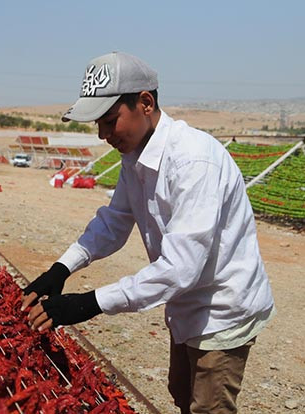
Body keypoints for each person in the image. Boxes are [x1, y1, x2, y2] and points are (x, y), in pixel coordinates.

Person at [21, 51, 275, 414]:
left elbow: (179, 268)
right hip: (186, 305)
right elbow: (115, 221)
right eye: (98, 125)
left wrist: (88, 303)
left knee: (208, 405)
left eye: (110, 121)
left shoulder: (193, 161)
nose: (103, 134)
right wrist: (61, 268)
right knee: (181, 393)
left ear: (145, 102)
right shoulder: (135, 156)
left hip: (221, 307)